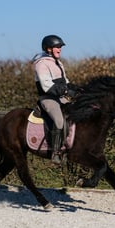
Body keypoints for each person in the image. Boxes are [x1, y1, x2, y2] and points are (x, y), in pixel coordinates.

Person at [32, 34, 78, 164]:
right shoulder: (41, 64)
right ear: (48, 49)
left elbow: (66, 82)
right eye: (57, 47)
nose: (60, 49)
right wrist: (65, 90)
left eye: (60, 47)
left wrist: (77, 90)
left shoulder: (58, 63)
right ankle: (55, 152)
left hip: (60, 98)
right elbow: (47, 86)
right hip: (48, 99)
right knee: (59, 120)